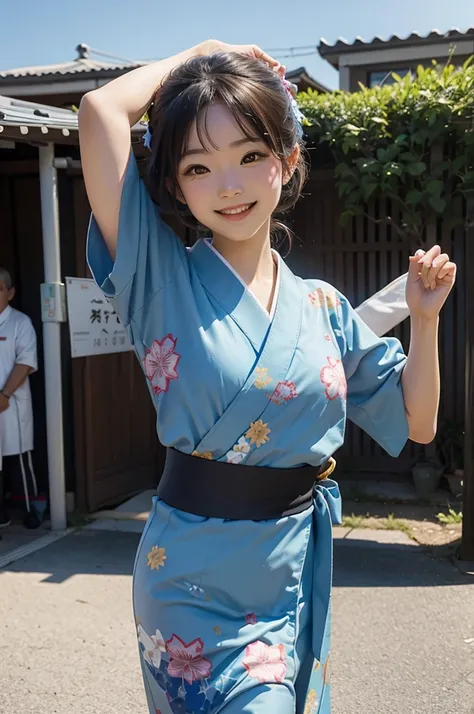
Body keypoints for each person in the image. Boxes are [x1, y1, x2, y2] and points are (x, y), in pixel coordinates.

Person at [78, 40, 456, 714]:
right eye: (199, 167)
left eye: (251, 156)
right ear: (174, 184)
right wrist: (205, 56)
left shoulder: (325, 310)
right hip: (189, 583)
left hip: (288, 577)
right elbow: (100, 109)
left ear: (287, 160)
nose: (229, 185)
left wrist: (423, 321)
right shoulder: (157, 278)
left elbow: (419, 420)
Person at [0, 267, 41, 529]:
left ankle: (31, 509)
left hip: (10, 403)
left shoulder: (20, 323)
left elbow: (24, 363)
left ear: (10, 292)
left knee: (18, 457)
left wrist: (4, 394)